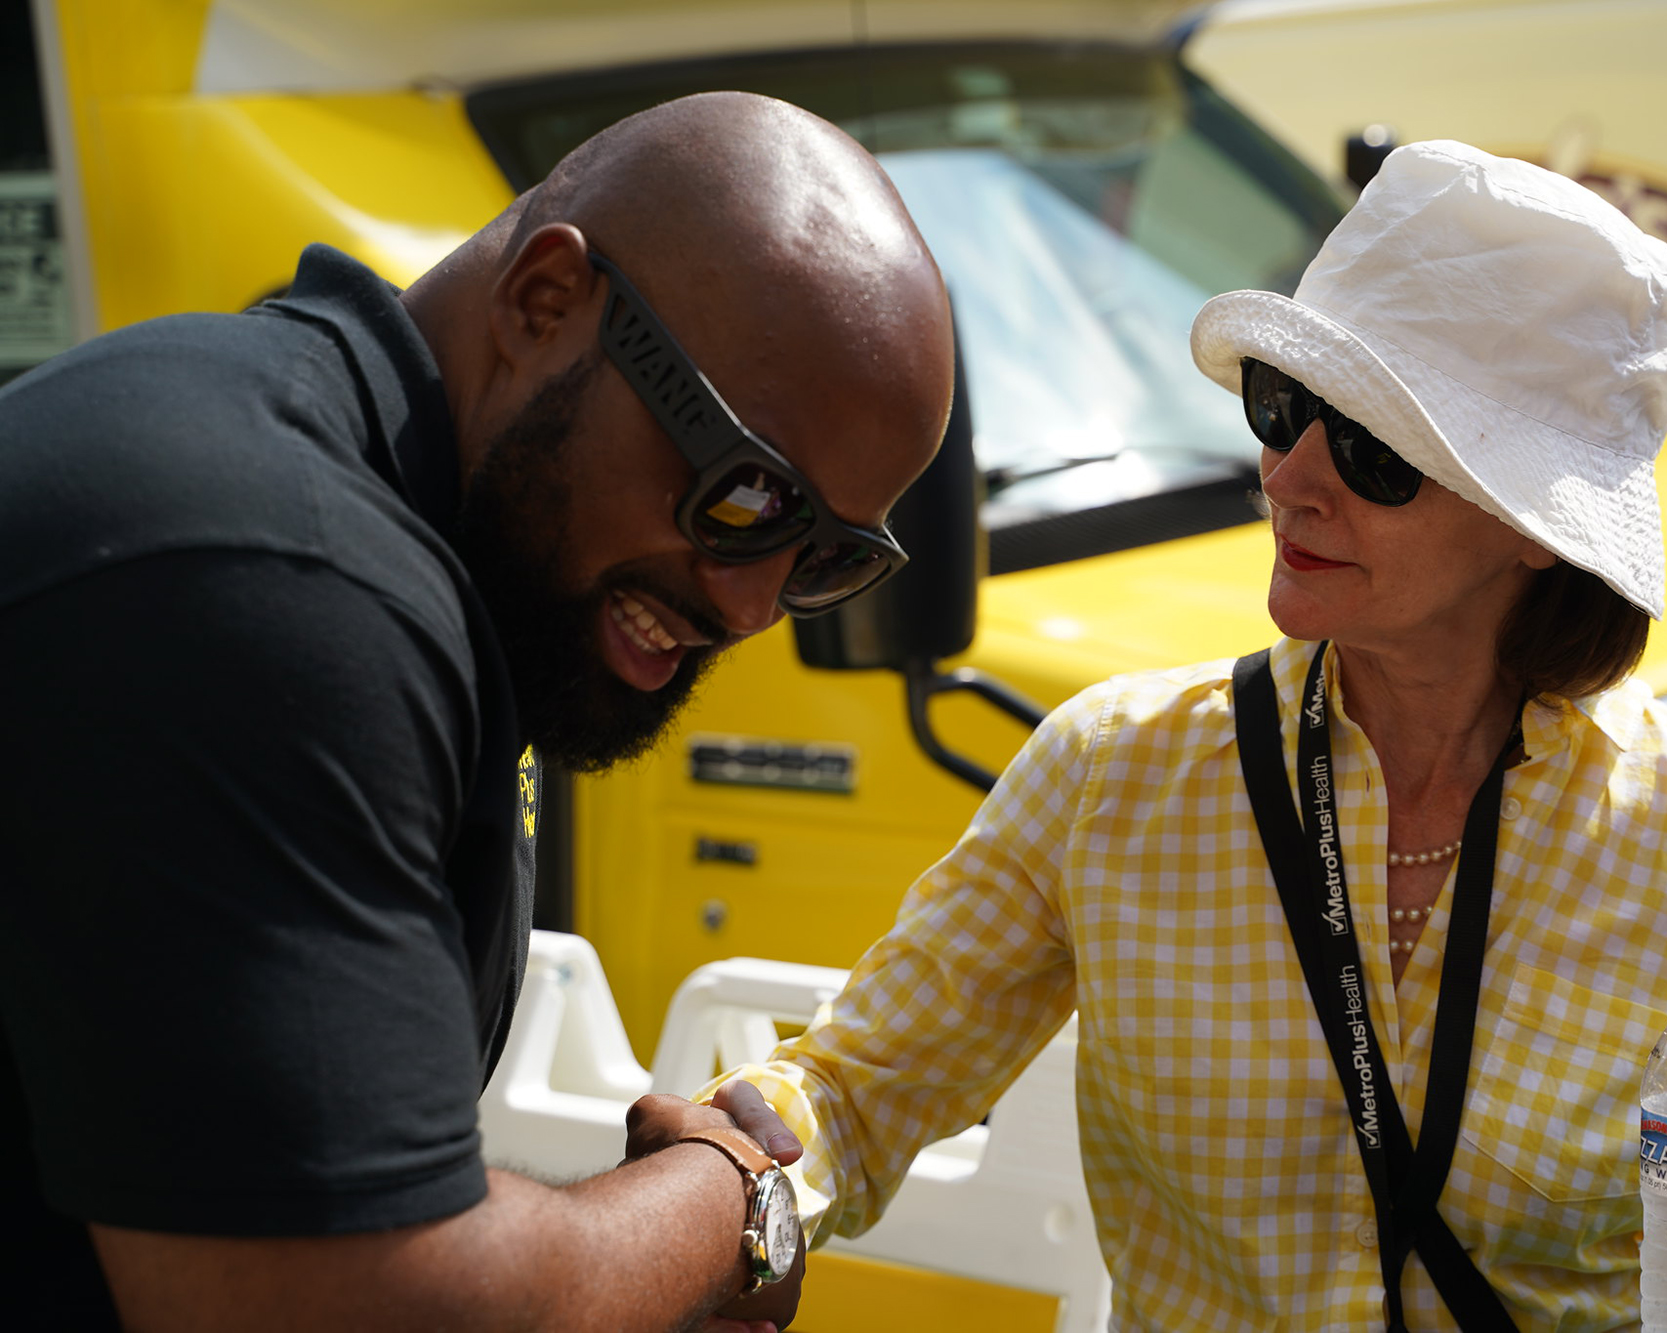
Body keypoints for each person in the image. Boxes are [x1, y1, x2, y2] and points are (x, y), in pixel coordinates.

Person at [699, 141, 1667, 1329]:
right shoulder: (1111, 775)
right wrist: (727, 1165)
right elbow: (853, 1099)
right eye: (1282, 404)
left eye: (1375, 448)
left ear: (1535, 527)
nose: (1292, 473)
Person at [0, 91, 954, 1330]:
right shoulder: (275, 573)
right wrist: (727, 1204)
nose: (755, 600)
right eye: (746, 494)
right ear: (543, 303)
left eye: (828, 557)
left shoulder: (424, 548)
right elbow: (352, 1303)